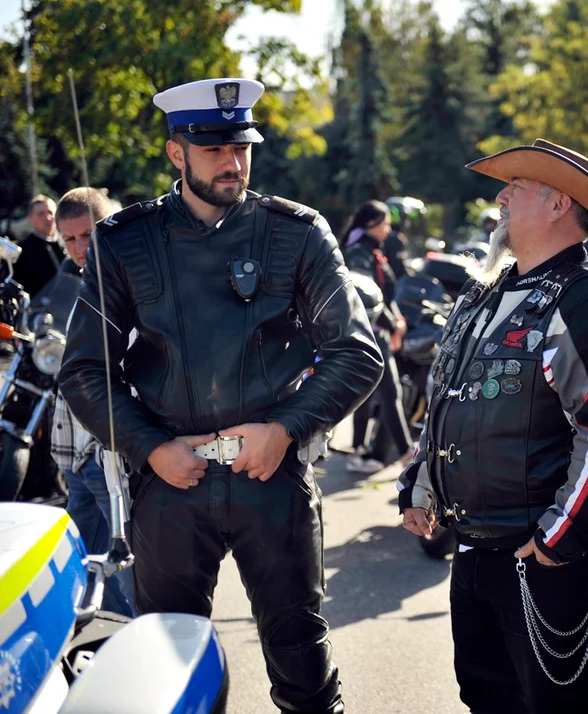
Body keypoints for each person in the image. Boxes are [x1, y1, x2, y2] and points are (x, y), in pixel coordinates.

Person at [58, 77, 384, 714]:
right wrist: (149, 447)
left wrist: (285, 429)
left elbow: (356, 352)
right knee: (167, 667)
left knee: (302, 662)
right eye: (212, 149)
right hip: (172, 482)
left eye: (242, 146)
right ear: (176, 152)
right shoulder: (125, 241)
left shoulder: (295, 233)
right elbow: (85, 372)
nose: (232, 162)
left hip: (270, 475)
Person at [398, 139, 588, 713]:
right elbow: (443, 400)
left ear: (559, 204)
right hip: (472, 546)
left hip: (542, 554)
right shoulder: (483, 293)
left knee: (554, 706)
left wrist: (559, 542)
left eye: (517, 187)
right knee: (485, 697)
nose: (501, 196)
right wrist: (419, 483)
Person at [51, 186, 136, 617]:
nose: (80, 247)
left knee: (130, 572)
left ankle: (153, 645)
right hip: (78, 457)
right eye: (70, 239)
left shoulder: (125, 282)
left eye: (88, 235)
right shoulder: (78, 284)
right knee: (74, 568)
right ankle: (96, 645)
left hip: (109, 455)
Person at [339, 200, 413, 475]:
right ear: (371, 225)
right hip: (370, 333)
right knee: (390, 391)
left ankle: (358, 450)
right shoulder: (358, 253)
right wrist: (392, 325)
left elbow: (383, 294)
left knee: (368, 393)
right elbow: (364, 297)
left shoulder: (372, 250)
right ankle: (407, 454)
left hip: (377, 330)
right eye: (385, 223)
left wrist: (398, 320)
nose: (389, 228)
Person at [13, 194, 64, 297]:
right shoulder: (22, 250)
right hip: (37, 309)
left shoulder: (69, 243)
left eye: (50, 212)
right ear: (30, 218)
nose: (48, 218)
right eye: (41, 214)